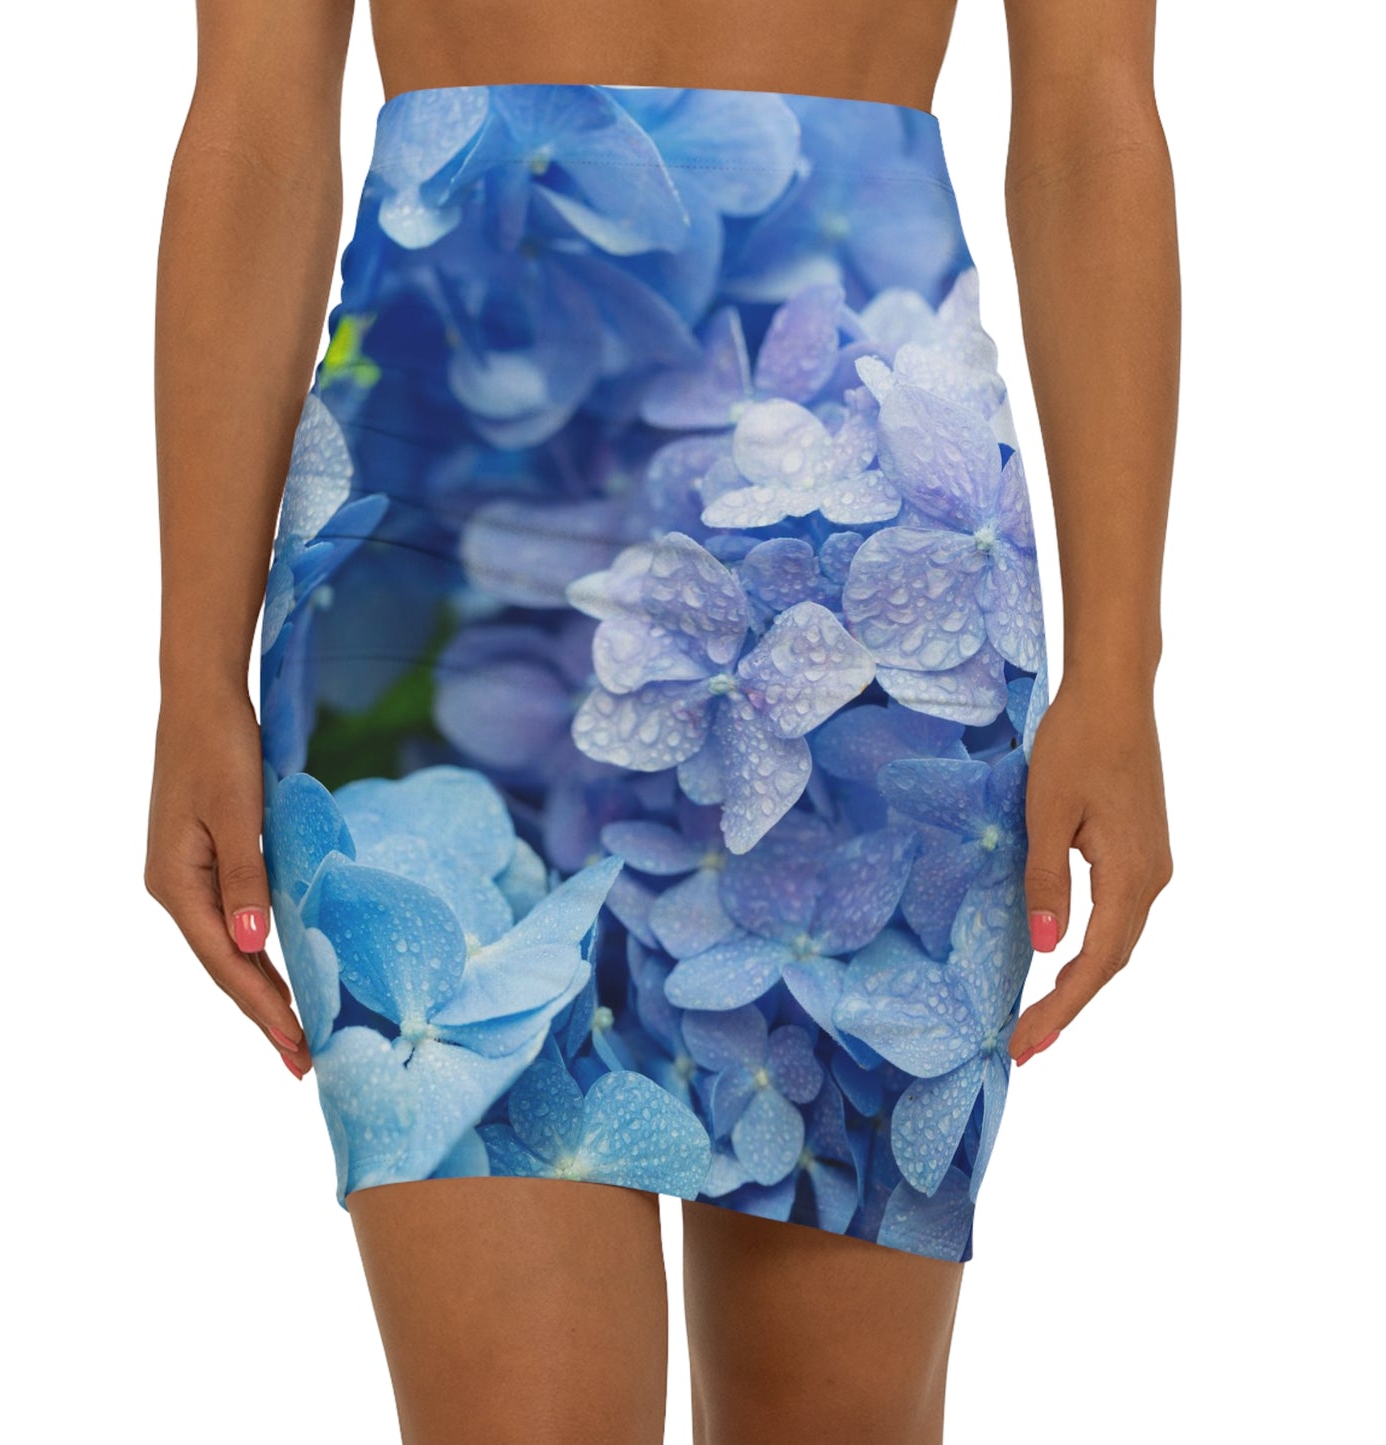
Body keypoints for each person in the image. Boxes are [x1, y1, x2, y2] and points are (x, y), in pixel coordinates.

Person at [145, 2, 1177, 1440]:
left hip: (865, 563)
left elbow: (1085, 123)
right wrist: (190, 670)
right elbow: (255, 131)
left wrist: (1122, 669)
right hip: (437, 544)